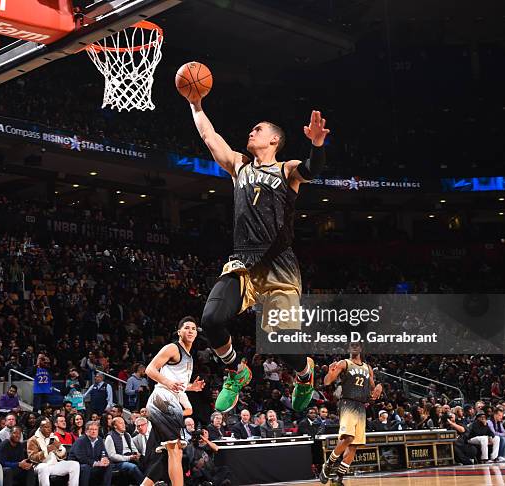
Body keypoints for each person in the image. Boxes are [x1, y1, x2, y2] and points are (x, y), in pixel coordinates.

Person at [188, 95, 329, 413]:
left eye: (258, 129)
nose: (251, 133)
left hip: (279, 266)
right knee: (210, 320)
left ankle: (305, 376)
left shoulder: (286, 169)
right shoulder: (239, 167)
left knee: (281, 344)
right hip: (243, 263)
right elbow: (209, 137)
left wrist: (317, 145)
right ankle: (236, 371)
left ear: (274, 139)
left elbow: (312, 168)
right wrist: (196, 105)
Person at [141, 316, 206, 486]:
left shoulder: (189, 357)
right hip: (163, 399)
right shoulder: (172, 348)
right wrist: (168, 382)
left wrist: (192, 387)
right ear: (179, 332)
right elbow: (150, 369)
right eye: (186, 328)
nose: (190, 330)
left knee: (166, 455)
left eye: (193, 328)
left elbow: (178, 383)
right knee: (175, 450)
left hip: (167, 401)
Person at [320, 343, 382, 485]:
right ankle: (328, 465)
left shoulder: (368, 368)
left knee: (354, 445)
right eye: (351, 345)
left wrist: (379, 387)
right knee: (348, 438)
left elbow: (373, 393)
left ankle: (339, 478)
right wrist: (330, 372)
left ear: (361, 349)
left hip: (361, 406)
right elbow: (327, 381)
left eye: (357, 345)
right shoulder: (344, 363)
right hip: (347, 403)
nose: (354, 347)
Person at [27, 418, 80, 486]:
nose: (49, 429)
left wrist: (59, 450)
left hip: (54, 464)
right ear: (40, 428)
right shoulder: (33, 440)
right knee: (44, 467)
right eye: (46, 427)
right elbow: (32, 458)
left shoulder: (53, 437)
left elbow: (63, 456)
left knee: (74, 464)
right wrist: (47, 451)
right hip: (40, 465)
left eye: (50, 427)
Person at [69, 420, 112, 486]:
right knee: (86, 468)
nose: (94, 431)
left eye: (95, 429)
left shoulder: (99, 440)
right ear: (86, 431)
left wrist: (105, 459)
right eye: (91, 429)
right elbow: (81, 458)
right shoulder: (80, 441)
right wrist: (96, 463)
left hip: (93, 465)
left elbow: (104, 453)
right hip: (78, 465)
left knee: (108, 466)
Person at [104, 417, 143, 484]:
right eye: (121, 423)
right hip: (117, 463)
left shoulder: (127, 435)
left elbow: (133, 448)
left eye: (124, 423)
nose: (124, 425)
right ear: (115, 426)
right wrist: (128, 458)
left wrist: (137, 454)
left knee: (147, 463)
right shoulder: (110, 437)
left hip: (130, 457)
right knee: (133, 467)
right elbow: (112, 456)